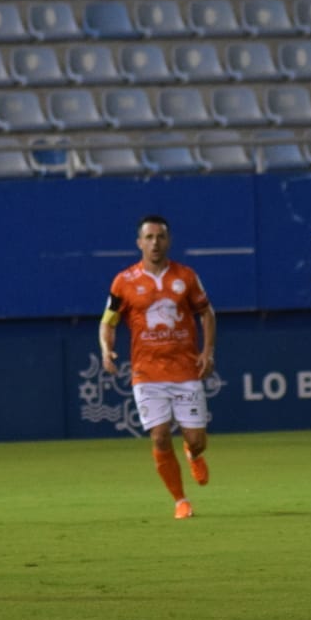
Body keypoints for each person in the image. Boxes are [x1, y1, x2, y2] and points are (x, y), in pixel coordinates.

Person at [99, 215, 216, 520]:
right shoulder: (124, 281)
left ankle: (193, 453)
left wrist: (208, 351)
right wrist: (106, 349)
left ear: (169, 240)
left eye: (160, 237)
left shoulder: (186, 277)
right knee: (160, 435)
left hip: (185, 370)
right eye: (149, 237)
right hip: (147, 372)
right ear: (139, 243)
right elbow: (108, 321)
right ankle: (180, 500)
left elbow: (206, 313)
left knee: (196, 440)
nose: (155, 243)